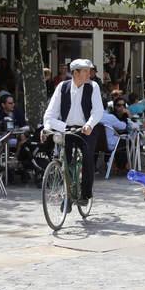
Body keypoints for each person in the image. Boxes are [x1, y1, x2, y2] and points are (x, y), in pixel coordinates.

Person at [43, 59, 104, 205]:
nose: (89, 74)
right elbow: (50, 113)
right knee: (62, 157)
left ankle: (85, 194)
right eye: (85, 71)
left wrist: (89, 125)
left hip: (86, 129)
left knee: (88, 156)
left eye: (89, 71)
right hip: (67, 128)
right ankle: (67, 192)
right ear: (75, 73)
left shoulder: (92, 86)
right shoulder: (62, 87)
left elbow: (98, 110)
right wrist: (47, 127)